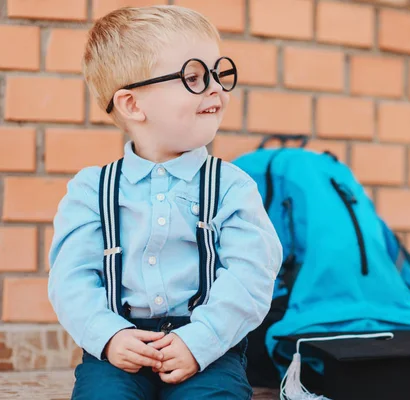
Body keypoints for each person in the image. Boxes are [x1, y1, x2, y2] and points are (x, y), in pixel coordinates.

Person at [47, 5, 283, 399]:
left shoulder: (231, 186)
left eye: (218, 73)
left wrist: (201, 339)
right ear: (132, 105)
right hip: (120, 347)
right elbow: (71, 279)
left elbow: (251, 273)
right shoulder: (91, 190)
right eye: (193, 77)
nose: (215, 89)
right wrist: (108, 335)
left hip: (207, 346)